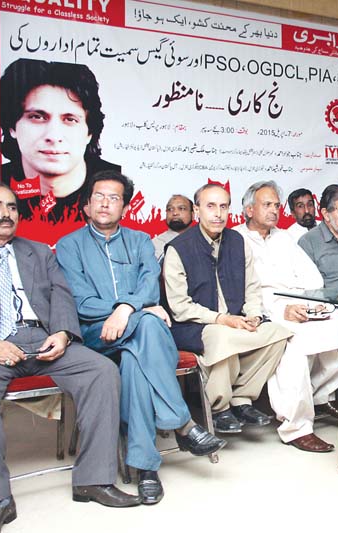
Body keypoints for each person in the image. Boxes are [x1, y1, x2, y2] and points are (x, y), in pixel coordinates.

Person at [0, 182, 140, 532]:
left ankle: (93, 480)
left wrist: (62, 333)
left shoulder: (40, 253)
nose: (7, 214)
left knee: (102, 371)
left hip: (43, 341)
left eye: (12, 207)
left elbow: (62, 297)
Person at [56, 171, 225, 505]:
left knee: (135, 360)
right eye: (99, 197)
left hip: (139, 334)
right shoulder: (69, 245)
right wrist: (133, 310)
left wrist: (128, 309)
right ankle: (182, 422)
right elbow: (81, 302)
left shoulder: (139, 241)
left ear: (125, 206)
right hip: (96, 334)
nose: (105, 204)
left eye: (114, 198)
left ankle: (146, 468)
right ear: (87, 205)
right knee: (148, 324)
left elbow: (150, 286)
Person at [163, 184, 292, 434]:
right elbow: (180, 307)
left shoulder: (238, 242)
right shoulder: (178, 249)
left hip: (236, 319)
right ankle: (219, 407)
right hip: (193, 325)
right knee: (222, 336)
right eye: (210, 206)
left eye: (223, 207)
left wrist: (253, 314)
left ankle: (242, 398)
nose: (218, 214)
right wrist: (222, 319)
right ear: (197, 210)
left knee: (278, 333)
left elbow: (253, 287)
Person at [234, 181, 338, 452]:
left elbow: (312, 277)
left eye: (277, 205)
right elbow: (244, 290)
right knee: (291, 345)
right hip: (263, 311)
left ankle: (315, 395)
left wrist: (310, 302)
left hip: (299, 304)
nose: (274, 210)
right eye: (267, 204)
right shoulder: (236, 240)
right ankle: (297, 427)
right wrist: (281, 308)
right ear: (248, 209)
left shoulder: (284, 238)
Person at [0, 59, 119, 243]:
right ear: (12, 127)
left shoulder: (119, 183)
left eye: (70, 119)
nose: (54, 136)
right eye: (37, 117)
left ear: (89, 132)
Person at [152, 194, 194, 261]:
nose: (175, 213)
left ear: (193, 214)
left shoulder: (203, 242)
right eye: (170, 209)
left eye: (181, 208)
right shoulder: (153, 245)